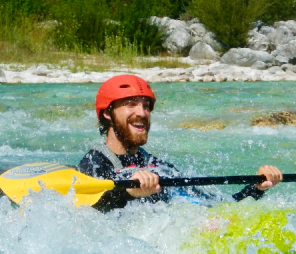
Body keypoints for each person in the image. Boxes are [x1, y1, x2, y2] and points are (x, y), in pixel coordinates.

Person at [78, 74, 283, 212]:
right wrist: (129, 192)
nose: (142, 113)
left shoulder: (157, 166)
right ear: (107, 113)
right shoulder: (95, 163)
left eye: (147, 106)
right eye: (131, 104)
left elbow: (216, 208)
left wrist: (256, 188)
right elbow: (90, 212)